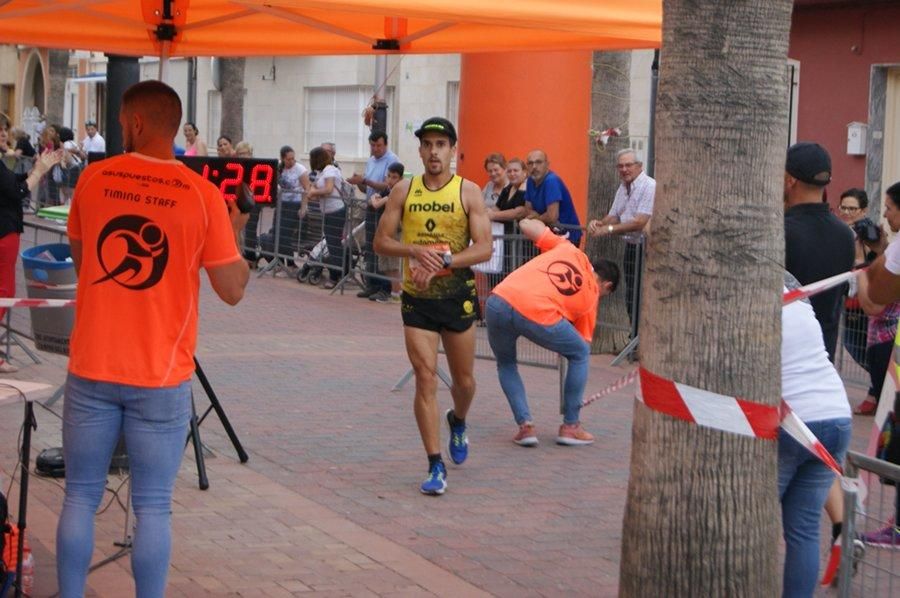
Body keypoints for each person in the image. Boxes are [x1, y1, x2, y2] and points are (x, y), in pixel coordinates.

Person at [56, 80, 250, 597]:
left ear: (137, 123)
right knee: (153, 506)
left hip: (91, 367)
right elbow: (232, 290)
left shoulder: (93, 180)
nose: (120, 129)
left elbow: (83, 263)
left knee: (78, 497)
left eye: (121, 122)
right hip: (162, 377)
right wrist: (236, 233)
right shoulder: (203, 195)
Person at [374, 116, 492, 496]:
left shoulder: (468, 191)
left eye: (442, 144)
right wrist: (414, 250)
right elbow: (381, 242)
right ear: (421, 150)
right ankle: (434, 463)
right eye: (428, 144)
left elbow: (485, 247)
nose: (434, 151)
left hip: (456, 298)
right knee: (425, 377)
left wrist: (445, 261)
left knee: (465, 382)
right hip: (417, 299)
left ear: (452, 150)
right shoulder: (404, 191)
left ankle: (457, 419)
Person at [486, 218, 618, 446]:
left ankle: (525, 427)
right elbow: (581, 347)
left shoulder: (568, 249)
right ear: (607, 286)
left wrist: (531, 219)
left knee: (506, 364)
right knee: (579, 354)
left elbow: (527, 225)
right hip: (536, 312)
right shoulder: (591, 300)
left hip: (498, 299)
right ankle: (570, 426)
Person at [779, 272, 851, 598]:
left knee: (755, 521)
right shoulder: (797, 296)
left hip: (794, 422)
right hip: (836, 413)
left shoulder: (745, 300)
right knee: (804, 530)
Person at [783, 142, 854, 363]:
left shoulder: (780, 231)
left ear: (790, 179)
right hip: (823, 356)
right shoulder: (845, 234)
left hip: (785, 358)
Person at [0, 146, 62, 373]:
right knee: (4, 292)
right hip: (4, 233)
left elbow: (11, 180)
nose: (3, 135)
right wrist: (38, 172)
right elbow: (17, 191)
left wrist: (37, 168)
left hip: (5, 232)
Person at [587, 149, 655, 334]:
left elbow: (640, 222)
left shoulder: (649, 186)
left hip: (647, 249)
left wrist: (608, 229)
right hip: (631, 247)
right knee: (631, 294)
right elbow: (614, 215)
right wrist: (598, 223)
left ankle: (640, 338)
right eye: (621, 166)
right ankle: (634, 337)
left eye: (628, 165)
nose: (624, 169)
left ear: (639, 166)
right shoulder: (623, 187)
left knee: (642, 295)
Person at [347, 132, 398, 300]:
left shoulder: (392, 160)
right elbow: (367, 187)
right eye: (373, 145)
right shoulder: (370, 160)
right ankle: (372, 283)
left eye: (379, 145)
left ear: (386, 144)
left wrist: (366, 180)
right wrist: (360, 182)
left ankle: (385, 287)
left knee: (382, 248)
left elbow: (388, 184)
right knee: (370, 247)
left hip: (384, 208)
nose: (375, 149)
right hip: (371, 206)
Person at [837, 188, 872, 376]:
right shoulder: (841, 233)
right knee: (853, 345)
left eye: (853, 209)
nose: (847, 213)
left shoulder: (869, 236)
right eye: (844, 208)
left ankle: (877, 389)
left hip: (869, 302)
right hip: (851, 302)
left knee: (865, 350)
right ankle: (876, 390)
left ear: (864, 210)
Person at [306, 146, 347, 289]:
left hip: (336, 211)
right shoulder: (320, 172)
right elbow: (312, 187)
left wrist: (314, 192)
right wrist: (313, 191)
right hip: (327, 212)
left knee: (334, 244)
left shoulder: (330, 170)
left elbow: (328, 189)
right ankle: (340, 272)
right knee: (331, 244)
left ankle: (336, 275)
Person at [523, 149, 582, 245]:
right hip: (548, 235)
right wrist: (539, 218)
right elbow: (527, 209)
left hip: (567, 236)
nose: (534, 167)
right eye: (530, 163)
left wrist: (536, 219)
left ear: (547, 164)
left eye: (538, 162)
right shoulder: (530, 180)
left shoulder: (551, 181)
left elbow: (552, 216)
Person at [369, 161, 405, 303]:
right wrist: (377, 198)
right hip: (383, 229)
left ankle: (397, 292)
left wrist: (379, 199)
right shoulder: (388, 191)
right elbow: (373, 201)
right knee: (384, 263)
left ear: (400, 179)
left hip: (395, 231)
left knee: (393, 263)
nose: (390, 180)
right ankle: (396, 290)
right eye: (388, 176)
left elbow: (376, 203)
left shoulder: (399, 192)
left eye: (394, 177)